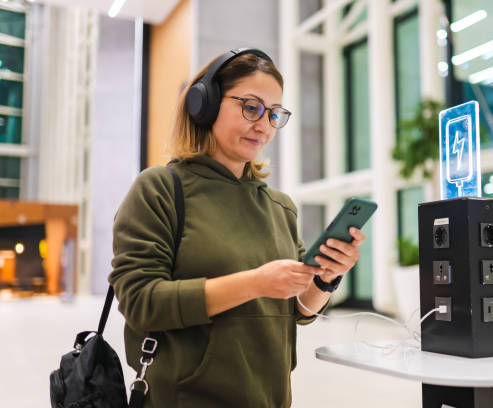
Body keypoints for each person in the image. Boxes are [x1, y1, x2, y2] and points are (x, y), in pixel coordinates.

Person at [109, 48, 366, 407]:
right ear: (205, 104)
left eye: (274, 113)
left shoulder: (279, 206)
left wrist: (326, 278)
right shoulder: (160, 189)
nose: (263, 125)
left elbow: (297, 312)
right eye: (251, 107)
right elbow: (140, 302)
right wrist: (256, 282)